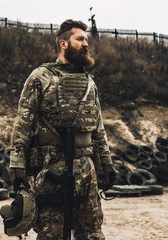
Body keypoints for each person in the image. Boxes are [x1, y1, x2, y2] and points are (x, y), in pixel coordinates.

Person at [9, 19, 116, 240]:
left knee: (93, 233)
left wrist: (106, 163)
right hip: (52, 169)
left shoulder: (90, 83)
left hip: (87, 169)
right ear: (64, 44)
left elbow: (98, 128)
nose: (85, 44)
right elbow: (22, 126)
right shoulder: (40, 77)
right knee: (52, 233)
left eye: (86, 40)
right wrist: (18, 169)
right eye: (80, 39)